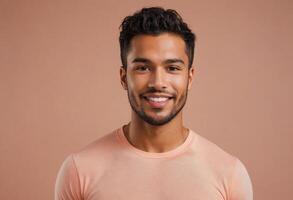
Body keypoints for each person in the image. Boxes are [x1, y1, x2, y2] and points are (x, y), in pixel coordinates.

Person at [55, 7, 253, 200]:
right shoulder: (79, 171)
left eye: (172, 68)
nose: (158, 82)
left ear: (189, 77)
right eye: (143, 68)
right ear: (124, 77)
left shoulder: (229, 174)